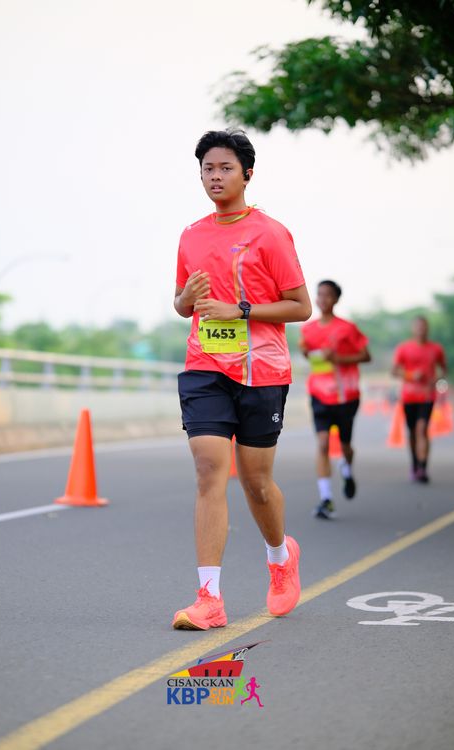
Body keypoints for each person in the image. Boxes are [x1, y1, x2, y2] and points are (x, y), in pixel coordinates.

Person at [172, 128, 312, 630]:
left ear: (247, 174)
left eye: (225, 168)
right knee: (210, 469)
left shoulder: (270, 233)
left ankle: (280, 557)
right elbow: (181, 304)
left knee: (256, 482)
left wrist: (242, 310)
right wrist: (187, 298)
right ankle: (208, 598)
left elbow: (301, 306)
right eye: (207, 168)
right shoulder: (191, 235)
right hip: (206, 365)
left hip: (261, 370)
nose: (215, 176)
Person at [299, 280, 371, 519]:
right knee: (322, 444)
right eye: (319, 294)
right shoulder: (308, 329)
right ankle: (326, 498)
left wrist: (339, 358)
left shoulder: (347, 328)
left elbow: (366, 356)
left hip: (345, 395)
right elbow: (310, 355)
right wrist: (306, 352)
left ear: (336, 299)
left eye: (328, 295)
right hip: (319, 393)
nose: (323, 299)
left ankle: (347, 468)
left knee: (345, 446)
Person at [392, 316, 447, 482]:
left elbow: (443, 370)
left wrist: (436, 379)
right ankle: (415, 464)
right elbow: (394, 371)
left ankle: (423, 467)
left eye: (424, 326)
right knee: (412, 433)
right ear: (413, 329)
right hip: (409, 396)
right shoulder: (404, 348)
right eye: (418, 326)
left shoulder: (436, 349)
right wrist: (410, 375)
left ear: (428, 328)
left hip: (427, 396)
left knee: (422, 429)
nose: (421, 329)